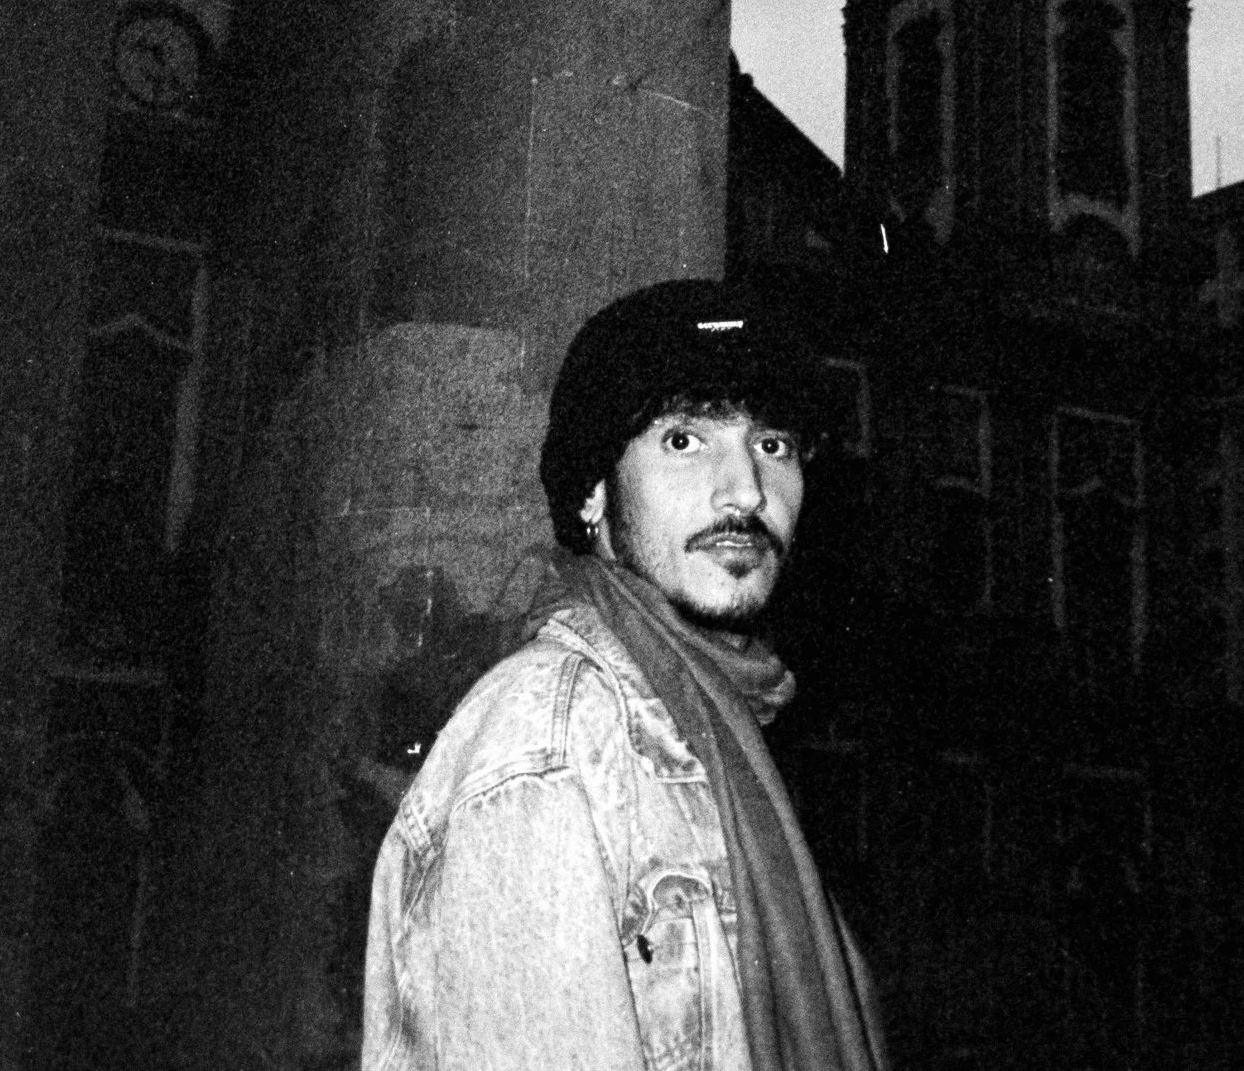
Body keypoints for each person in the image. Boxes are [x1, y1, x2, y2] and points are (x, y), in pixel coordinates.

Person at [361, 278, 886, 1071]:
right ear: (592, 496)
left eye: (772, 444)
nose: (746, 489)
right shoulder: (550, 741)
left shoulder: (731, 735)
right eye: (684, 440)